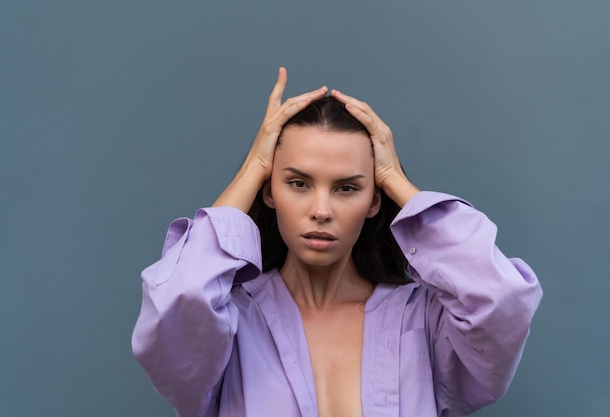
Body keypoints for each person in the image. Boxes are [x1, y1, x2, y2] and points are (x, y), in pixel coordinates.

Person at [131, 68, 543, 417]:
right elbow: (179, 297)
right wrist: (255, 165)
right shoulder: (229, 321)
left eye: (347, 188)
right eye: (297, 183)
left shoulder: (421, 323)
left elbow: (502, 298)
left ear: (373, 201)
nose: (322, 210)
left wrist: (396, 179)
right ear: (269, 191)